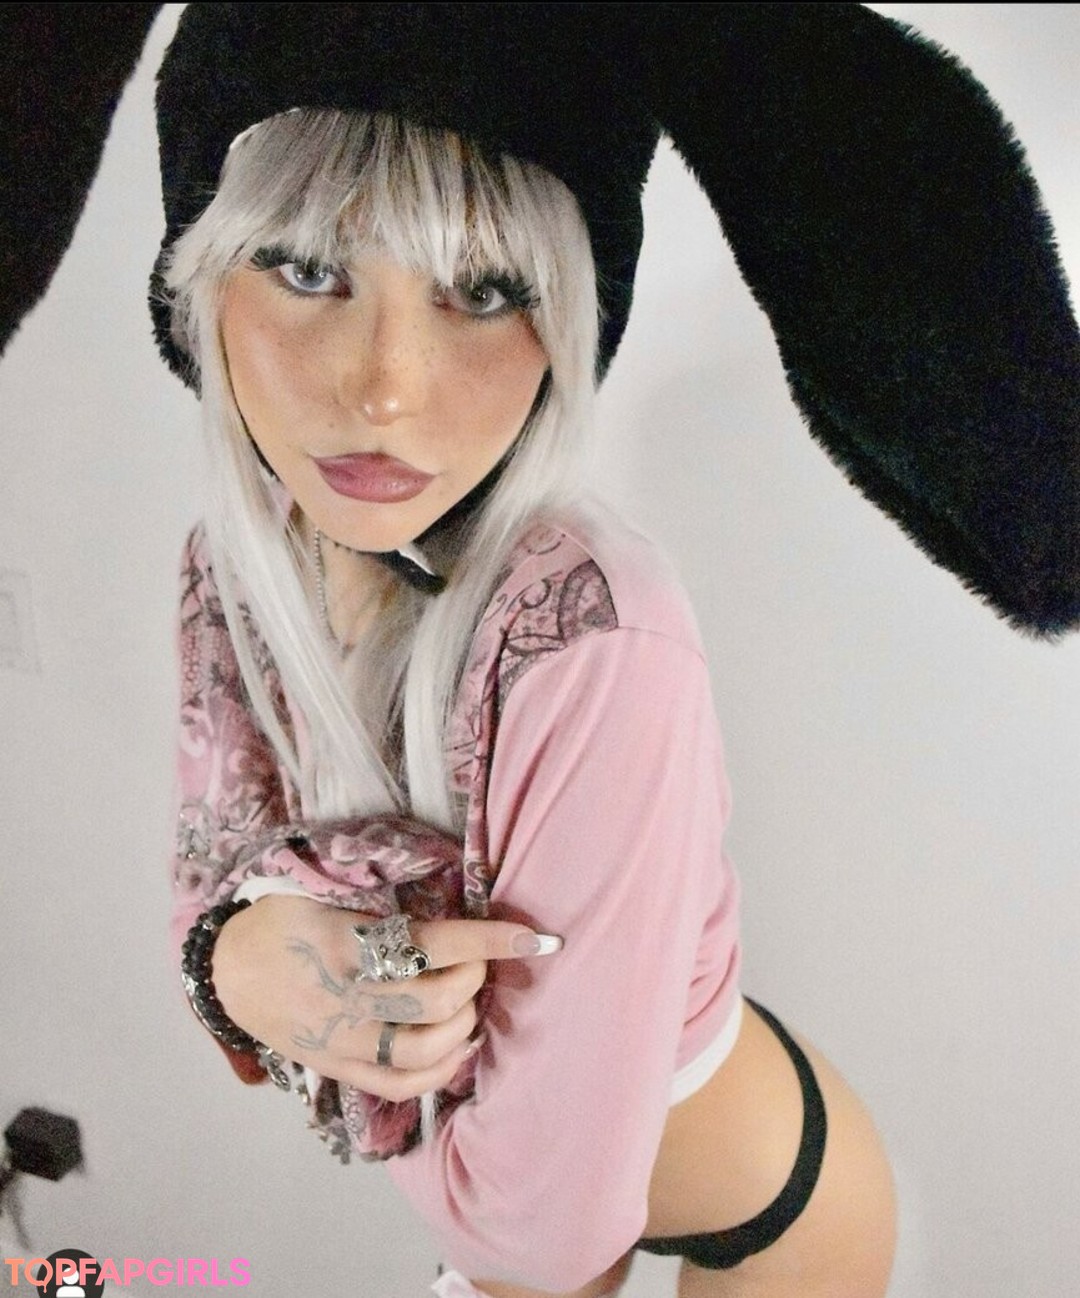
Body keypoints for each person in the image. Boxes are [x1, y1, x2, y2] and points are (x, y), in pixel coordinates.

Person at [5, 4, 1076, 1297]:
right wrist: (238, 961)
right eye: (305, 267)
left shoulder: (595, 644)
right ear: (198, 280)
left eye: (484, 290)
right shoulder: (230, 562)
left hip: (765, 1211)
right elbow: (206, 872)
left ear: (566, 315)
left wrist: (301, 978)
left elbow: (542, 1235)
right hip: (519, 1174)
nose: (386, 386)